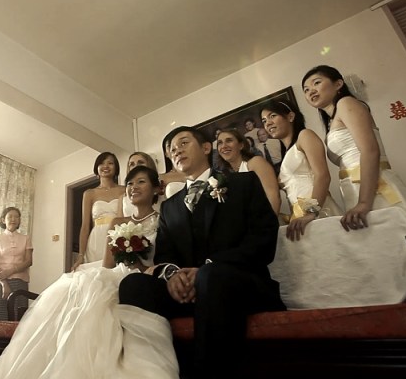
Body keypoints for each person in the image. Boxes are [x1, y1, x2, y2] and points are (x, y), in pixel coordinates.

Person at [302, 64, 406, 319]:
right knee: (390, 256)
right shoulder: (332, 120)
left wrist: (364, 202)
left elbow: (370, 151)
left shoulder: (347, 103)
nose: (310, 91)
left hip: (376, 189)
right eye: (306, 89)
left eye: (316, 82)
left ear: (338, 84)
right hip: (355, 189)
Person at [118, 126, 285, 378]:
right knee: (133, 284)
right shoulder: (169, 207)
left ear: (206, 147)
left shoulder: (243, 183)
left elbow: (263, 239)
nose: (177, 151)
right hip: (188, 294)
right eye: (172, 149)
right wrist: (173, 275)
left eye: (183, 143)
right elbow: (165, 255)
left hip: (237, 284)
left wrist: (209, 266)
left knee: (210, 276)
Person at [0, 165, 178, 379]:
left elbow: (166, 259)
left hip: (147, 278)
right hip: (118, 273)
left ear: (156, 188)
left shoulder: (163, 219)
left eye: (141, 181)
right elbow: (108, 265)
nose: (133, 187)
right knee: (83, 293)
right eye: (130, 183)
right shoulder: (118, 222)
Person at [260, 101, 342, 240]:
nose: (267, 123)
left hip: (318, 210)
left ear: (290, 116)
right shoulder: (286, 154)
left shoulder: (305, 135)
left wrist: (311, 212)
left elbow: (322, 176)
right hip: (301, 217)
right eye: (264, 121)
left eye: (272, 116)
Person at [72, 152, 125, 269]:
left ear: (116, 168)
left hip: (117, 237)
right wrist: (81, 255)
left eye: (110, 163)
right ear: (97, 168)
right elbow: (85, 226)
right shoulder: (89, 193)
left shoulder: (124, 190)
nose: (105, 166)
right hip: (96, 239)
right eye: (101, 163)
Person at [0, 206, 33, 333]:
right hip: (0, 282)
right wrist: (4, 284)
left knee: (18, 319)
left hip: (20, 282)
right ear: (3, 220)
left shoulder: (26, 238)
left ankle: (17, 345)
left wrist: (10, 271)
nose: (13, 219)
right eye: (10, 217)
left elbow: (28, 261)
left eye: (16, 217)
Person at [214, 129, 282, 214]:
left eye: (229, 140)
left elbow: (274, 196)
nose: (223, 146)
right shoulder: (228, 176)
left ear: (241, 145)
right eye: (220, 143)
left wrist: (270, 221)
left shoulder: (256, 162)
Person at [118, 151, 160, 217]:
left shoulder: (160, 189)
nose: (136, 166)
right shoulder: (123, 197)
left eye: (141, 162)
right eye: (132, 164)